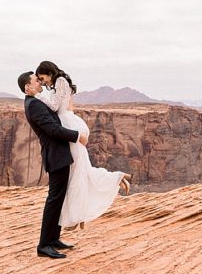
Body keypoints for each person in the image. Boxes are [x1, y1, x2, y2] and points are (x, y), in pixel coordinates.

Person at [34, 60, 131, 231]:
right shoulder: (58, 82)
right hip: (66, 124)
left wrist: (37, 95)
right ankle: (80, 213)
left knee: (78, 170)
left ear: (48, 72)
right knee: (78, 170)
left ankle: (80, 213)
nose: (42, 82)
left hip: (67, 125)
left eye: (42, 78)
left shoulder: (60, 81)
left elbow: (55, 106)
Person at [18, 70, 87, 259]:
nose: (39, 83)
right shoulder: (33, 105)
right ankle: (44, 245)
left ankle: (54, 239)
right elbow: (52, 129)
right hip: (55, 155)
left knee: (58, 198)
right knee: (54, 199)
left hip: (59, 154)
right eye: (36, 81)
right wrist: (76, 136)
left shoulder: (35, 102)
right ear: (27, 87)